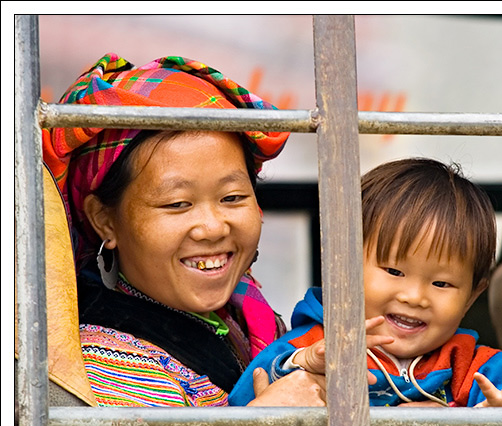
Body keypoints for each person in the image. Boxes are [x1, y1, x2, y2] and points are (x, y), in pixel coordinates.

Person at [42, 53, 326, 407]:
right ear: (105, 220)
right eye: (177, 204)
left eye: (232, 196)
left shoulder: (254, 322)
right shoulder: (107, 364)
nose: (211, 227)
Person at [229, 158, 502, 408]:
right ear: (343, 268)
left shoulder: (482, 371)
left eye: (442, 284)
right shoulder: (310, 347)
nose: (414, 296)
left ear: (472, 297)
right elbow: (240, 409)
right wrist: (300, 364)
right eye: (394, 271)